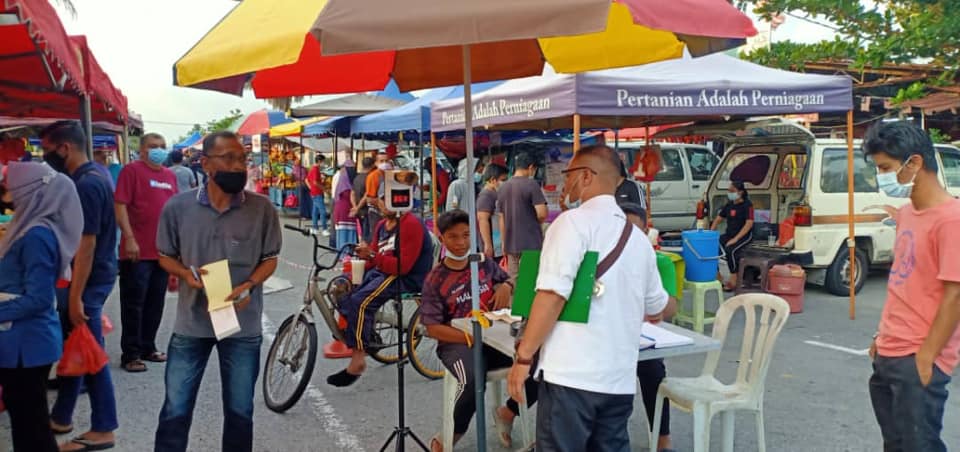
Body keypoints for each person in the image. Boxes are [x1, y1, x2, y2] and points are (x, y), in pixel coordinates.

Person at [507, 145, 676, 452]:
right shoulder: (638, 239)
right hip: (618, 382)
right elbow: (659, 307)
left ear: (586, 176)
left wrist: (523, 358)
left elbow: (552, 296)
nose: (564, 184)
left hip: (570, 378)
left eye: (569, 175)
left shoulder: (571, 224)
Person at [154, 131, 281, 452]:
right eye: (229, 158)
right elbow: (165, 255)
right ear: (206, 163)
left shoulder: (262, 209)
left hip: (242, 325)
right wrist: (186, 274)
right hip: (191, 324)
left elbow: (270, 259)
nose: (238, 166)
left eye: (242, 158)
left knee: (240, 412)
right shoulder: (178, 207)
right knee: (175, 410)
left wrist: (249, 285)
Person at [864, 121, 960, 452]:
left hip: (918, 358)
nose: (883, 178)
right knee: (896, 445)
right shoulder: (907, 215)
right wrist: (881, 336)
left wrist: (927, 357)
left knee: (920, 446)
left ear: (915, 163)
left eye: (886, 168)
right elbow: (904, 284)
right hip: (889, 351)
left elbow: (955, 294)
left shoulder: (951, 219)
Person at [419, 210, 536, 451]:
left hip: (495, 337)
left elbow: (511, 280)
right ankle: (453, 432)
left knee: (540, 364)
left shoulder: (483, 263)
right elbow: (432, 328)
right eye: (453, 237)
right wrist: (467, 335)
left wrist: (506, 285)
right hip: (457, 343)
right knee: (472, 378)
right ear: (441, 239)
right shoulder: (435, 279)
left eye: (465, 235)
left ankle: (508, 412)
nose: (461, 243)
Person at [38, 121, 120, 451]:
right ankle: (62, 415)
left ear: (64, 148)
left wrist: (75, 298)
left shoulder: (86, 184)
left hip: (89, 278)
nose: (45, 156)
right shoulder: (95, 176)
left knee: (89, 350)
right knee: (77, 344)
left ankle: (103, 427)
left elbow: (86, 245)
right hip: (94, 275)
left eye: (46, 149)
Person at [0, 162, 83, 452]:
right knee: (27, 422)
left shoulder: (36, 235)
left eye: (12, 191)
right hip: (21, 342)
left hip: (28, 345)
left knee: (31, 426)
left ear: (30, 194)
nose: (8, 196)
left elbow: (38, 298)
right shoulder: (30, 228)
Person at [327, 173, 434, 387]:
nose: (382, 203)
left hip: (405, 277)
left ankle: (358, 359)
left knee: (360, 302)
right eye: (382, 198)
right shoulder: (381, 226)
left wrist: (373, 257)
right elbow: (373, 258)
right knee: (340, 288)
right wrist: (353, 270)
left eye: (386, 198)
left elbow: (402, 266)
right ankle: (368, 335)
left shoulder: (411, 224)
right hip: (384, 271)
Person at [114, 133, 179, 372]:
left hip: (162, 252)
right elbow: (119, 205)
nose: (158, 150)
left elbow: (174, 214)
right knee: (134, 304)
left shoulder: (170, 176)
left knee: (155, 303)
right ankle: (130, 354)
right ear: (142, 151)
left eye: (162, 147)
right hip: (136, 252)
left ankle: (148, 347)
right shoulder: (131, 172)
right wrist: (129, 238)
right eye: (153, 147)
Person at [619, 202, 675, 452]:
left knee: (652, 368)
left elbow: (669, 307)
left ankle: (662, 438)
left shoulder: (659, 262)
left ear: (646, 233)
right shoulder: (602, 262)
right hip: (608, 339)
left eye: (636, 232)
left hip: (643, 336)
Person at [497, 152, 547, 279]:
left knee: (514, 281)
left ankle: (515, 300)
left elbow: (501, 218)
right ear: (531, 167)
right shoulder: (531, 185)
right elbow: (541, 213)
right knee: (530, 280)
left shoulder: (503, 187)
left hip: (511, 243)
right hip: (531, 243)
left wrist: (504, 242)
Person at [709, 180, 754, 291]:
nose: (729, 193)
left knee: (731, 250)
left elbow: (749, 224)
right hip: (729, 234)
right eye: (728, 191)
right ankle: (717, 277)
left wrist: (736, 239)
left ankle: (734, 279)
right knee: (710, 248)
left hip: (744, 236)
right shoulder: (729, 204)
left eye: (732, 191)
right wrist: (710, 233)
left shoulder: (747, 205)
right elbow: (718, 219)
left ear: (740, 192)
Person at [477, 163, 508, 260]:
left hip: (498, 243)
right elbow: (483, 220)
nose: (505, 183)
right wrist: (488, 244)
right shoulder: (486, 196)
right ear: (493, 180)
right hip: (494, 246)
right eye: (503, 180)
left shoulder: (494, 193)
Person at [332, 159, 359, 249]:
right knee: (347, 231)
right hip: (347, 209)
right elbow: (348, 194)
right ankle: (346, 253)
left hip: (342, 208)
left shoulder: (342, 177)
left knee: (345, 231)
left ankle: (344, 253)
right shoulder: (347, 180)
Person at [351, 157, 374, 241]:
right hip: (366, 210)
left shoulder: (357, 178)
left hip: (359, 211)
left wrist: (355, 206)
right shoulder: (370, 178)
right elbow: (366, 195)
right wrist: (357, 208)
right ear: (372, 166)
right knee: (366, 234)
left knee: (362, 231)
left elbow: (352, 193)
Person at [307, 154, 330, 236]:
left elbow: (307, 180)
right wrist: (324, 189)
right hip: (317, 193)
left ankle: (315, 228)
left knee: (315, 211)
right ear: (320, 161)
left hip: (314, 193)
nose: (324, 163)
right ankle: (324, 229)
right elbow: (315, 182)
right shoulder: (315, 169)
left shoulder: (312, 169)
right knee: (323, 211)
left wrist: (311, 188)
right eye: (323, 161)